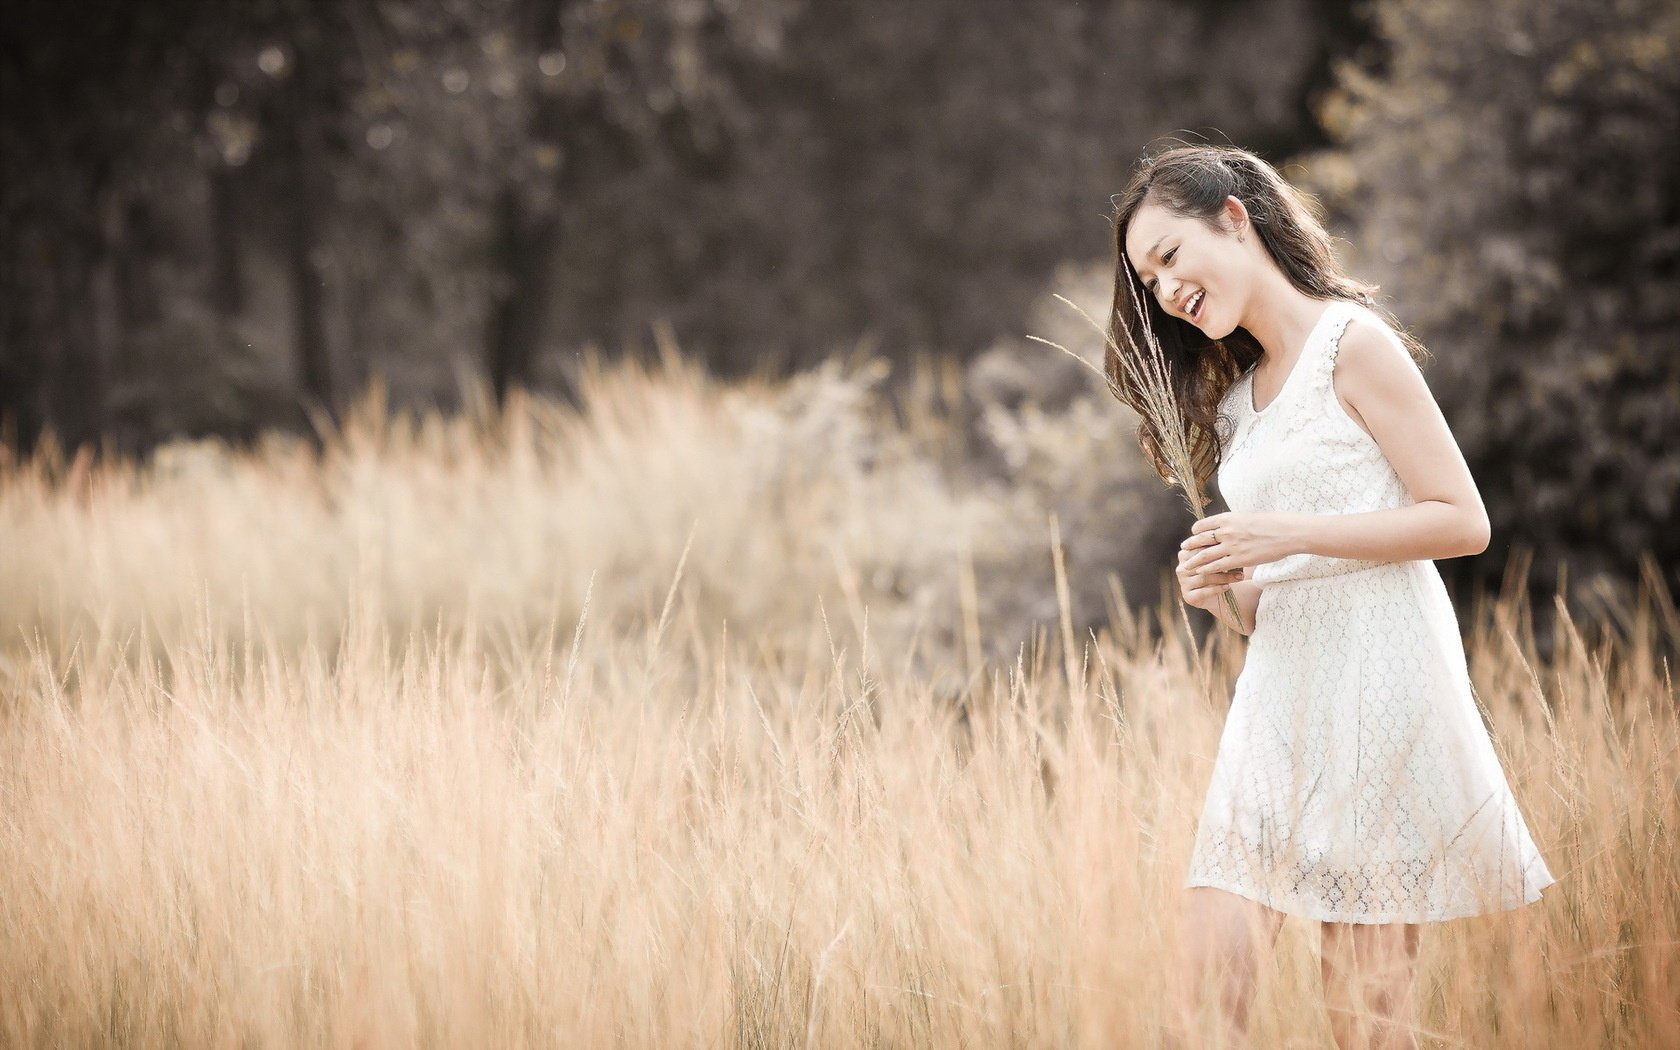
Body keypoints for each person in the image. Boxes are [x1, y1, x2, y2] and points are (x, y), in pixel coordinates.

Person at [1105, 144, 1557, 1049]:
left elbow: (1462, 521)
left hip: (1382, 682)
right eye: (1148, 282)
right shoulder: (1236, 404)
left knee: (1365, 1018)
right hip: (1280, 696)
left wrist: (1291, 536)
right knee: (1207, 994)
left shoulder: (1355, 344)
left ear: (1234, 217)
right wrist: (1221, 598)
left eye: (1169, 258)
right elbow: (1272, 604)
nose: (1163, 292)